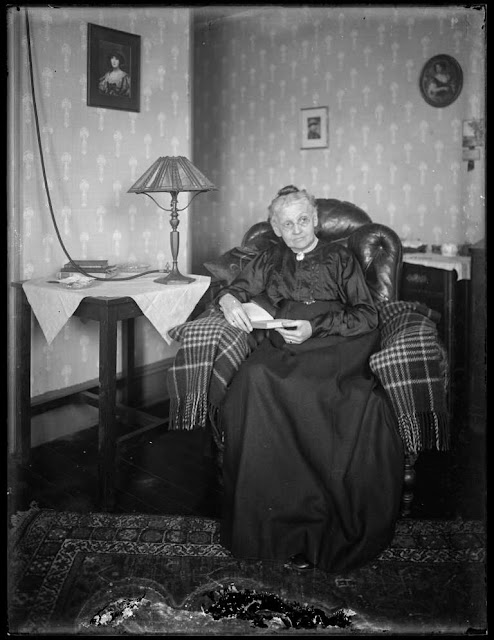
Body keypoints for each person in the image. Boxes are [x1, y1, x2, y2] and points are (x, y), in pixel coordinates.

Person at [168, 185, 405, 574]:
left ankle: (319, 519)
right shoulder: (269, 256)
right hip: (285, 336)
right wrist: (228, 300)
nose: (296, 230)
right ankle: (268, 527)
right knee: (254, 378)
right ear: (276, 228)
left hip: (336, 338)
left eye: (303, 220)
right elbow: (236, 288)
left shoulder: (340, 257)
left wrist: (315, 327)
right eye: (287, 224)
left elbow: (366, 314)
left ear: (315, 220)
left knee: (313, 389)